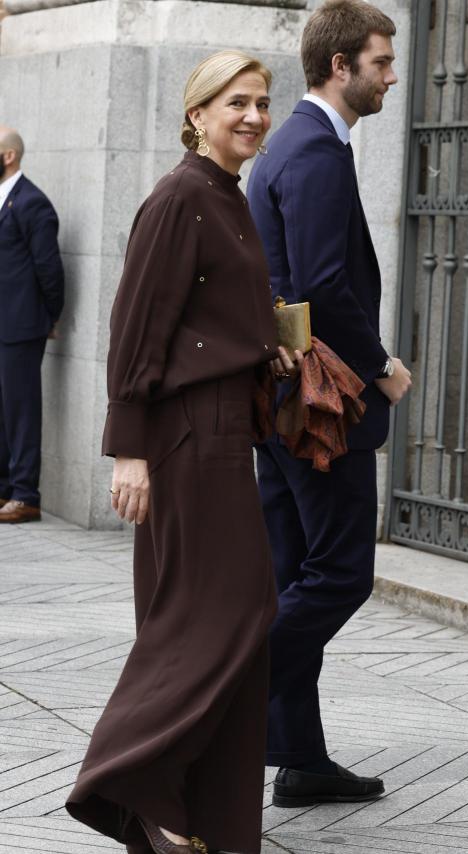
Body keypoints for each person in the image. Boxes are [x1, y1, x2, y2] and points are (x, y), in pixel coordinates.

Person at [66, 50, 298, 854]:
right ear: (197, 113)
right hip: (185, 436)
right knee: (216, 616)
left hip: (228, 428)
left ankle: (206, 824)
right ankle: (131, 782)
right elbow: (135, 331)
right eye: (237, 102)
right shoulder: (179, 199)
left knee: (224, 618)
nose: (255, 117)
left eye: (264, 103)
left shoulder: (226, 198)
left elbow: (207, 321)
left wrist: (262, 346)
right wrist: (128, 452)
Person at [247, 0, 412, 808]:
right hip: (319, 408)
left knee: (296, 575)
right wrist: (380, 364)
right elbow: (316, 285)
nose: (391, 75)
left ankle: (302, 759)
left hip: (285, 402)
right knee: (340, 574)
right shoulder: (315, 150)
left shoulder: (292, 147)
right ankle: (217, 706)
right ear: (339, 66)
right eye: (381, 61)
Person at [0, 126, 64, 523]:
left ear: (8, 155)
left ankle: (26, 494)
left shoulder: (33, 203)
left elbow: (49, 270)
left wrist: (50, 316)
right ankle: (5, 487)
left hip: (22, 326)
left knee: (21, 411)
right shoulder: (5, 200)